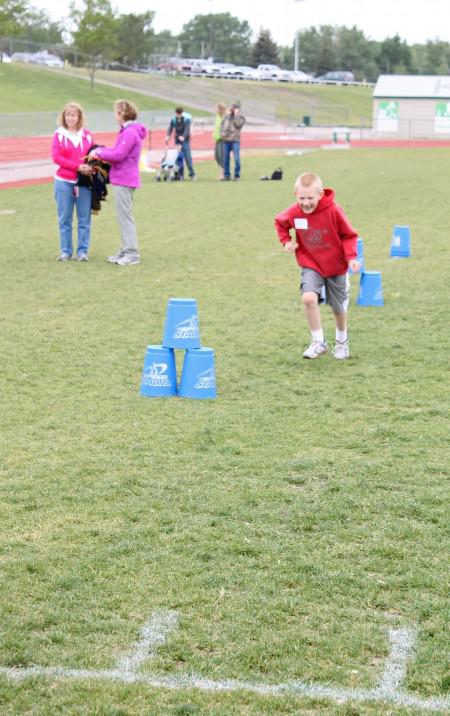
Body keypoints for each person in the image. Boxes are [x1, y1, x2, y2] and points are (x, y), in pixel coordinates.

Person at [274, 172, 360, 360]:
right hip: (310, 262)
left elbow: (349, 235)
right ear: (295, 195)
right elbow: (280, 223)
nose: (306, 203)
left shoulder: (333, 211)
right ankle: (318, 342)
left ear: (320, 195)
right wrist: (286, 241)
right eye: (301, 198)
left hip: (336, 265)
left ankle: (342, 341)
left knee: (338, 308)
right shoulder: (294, 212)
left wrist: (351, 257)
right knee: (308, 299)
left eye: (310, 198)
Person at [89, 99, 147, 266]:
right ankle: (125, 249)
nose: (115, 116)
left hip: (125, 178)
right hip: (124, 178)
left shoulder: (129, 132)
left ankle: (131, 253)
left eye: (116, 112)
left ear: (122, 113)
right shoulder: (128, 131)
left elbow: (118, 155)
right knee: (123, 216)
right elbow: (116, 151)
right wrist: (102, 151)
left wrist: (99, 152)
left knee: (125, 216)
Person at [52, 102, 94, 262]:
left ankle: (82, 252)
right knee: (65, 219)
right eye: (67, 115)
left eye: (73, 115)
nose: (70, 117)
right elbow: (57, 158)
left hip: (83, 183)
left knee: (84, 219)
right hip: (63, 181)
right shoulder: (59, 134)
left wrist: (91, 167)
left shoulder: (87, 135)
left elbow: (93, 155)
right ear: (64, 117)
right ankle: (66, 251)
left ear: (79, 117)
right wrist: (78, 167)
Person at [165, 107, 195, 180]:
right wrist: (168, 136)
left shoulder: (186, 119)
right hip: (177, 140)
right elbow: (170, 128)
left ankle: (192, 174)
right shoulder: (173, 119)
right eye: (177, 114)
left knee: (188, 157)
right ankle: (180, 175)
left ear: (182, 113)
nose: (178, 115)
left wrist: (184, 136)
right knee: (178, 158)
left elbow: (187, 129)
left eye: (180, 114)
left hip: (185, 140)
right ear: (175, 113)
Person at [220, 103, 245, 181]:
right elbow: (222, 126)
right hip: (226, 140)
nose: (232, 109)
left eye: (234, 108)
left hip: (235, 140)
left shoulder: (241, 118)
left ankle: (237, 175)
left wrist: (236, 115)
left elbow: (238, 125)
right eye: (231, 108)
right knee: (226, 159)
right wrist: (222, 134)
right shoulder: (226, 117)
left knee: (237, 159)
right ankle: (227, 175)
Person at [213, 102, 226, 180]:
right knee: (216, 157)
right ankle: (223, 172)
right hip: (217, 139)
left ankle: (222, 174)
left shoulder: (225, 117)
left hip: (223, 140)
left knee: (221, 157)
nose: (215, 109)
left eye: (217, 108)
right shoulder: (217, 116)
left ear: (220, 109)